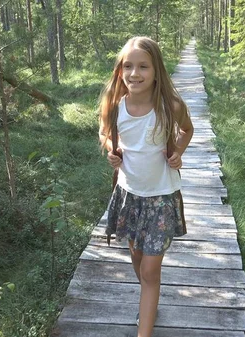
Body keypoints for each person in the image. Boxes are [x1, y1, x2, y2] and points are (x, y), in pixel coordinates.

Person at [98, 36, 194, 337]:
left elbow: (187, 129)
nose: (134, 74)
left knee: (151, 272)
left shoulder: (170, 106)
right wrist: (111, 149)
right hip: (128, 196)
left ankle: (145, 328)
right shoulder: (115, 108)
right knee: (138, 260)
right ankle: (148, 302)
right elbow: (104, 134)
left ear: (156, 71)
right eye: (128, 66)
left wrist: (178, 151)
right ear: (119, 70)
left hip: (161, 198)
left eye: (143, 67)